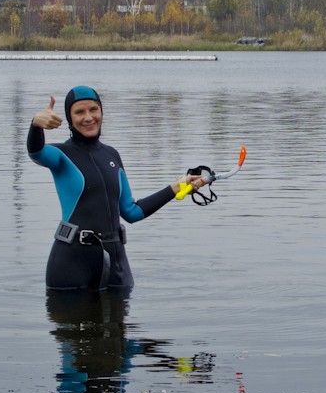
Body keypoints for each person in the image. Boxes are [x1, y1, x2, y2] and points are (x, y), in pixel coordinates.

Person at [27, 85, 202, 291]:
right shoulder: (61, 155)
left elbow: (131, 211)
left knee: (123, 323)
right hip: (72, 262)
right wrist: (36, 125)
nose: (88, 117)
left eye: (93, 109)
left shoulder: (111, 155)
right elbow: (36, 152)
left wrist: (176, 188)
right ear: (69, 118)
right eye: (79, 112)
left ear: (101, 112)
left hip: (116, 262)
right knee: (70, 322)